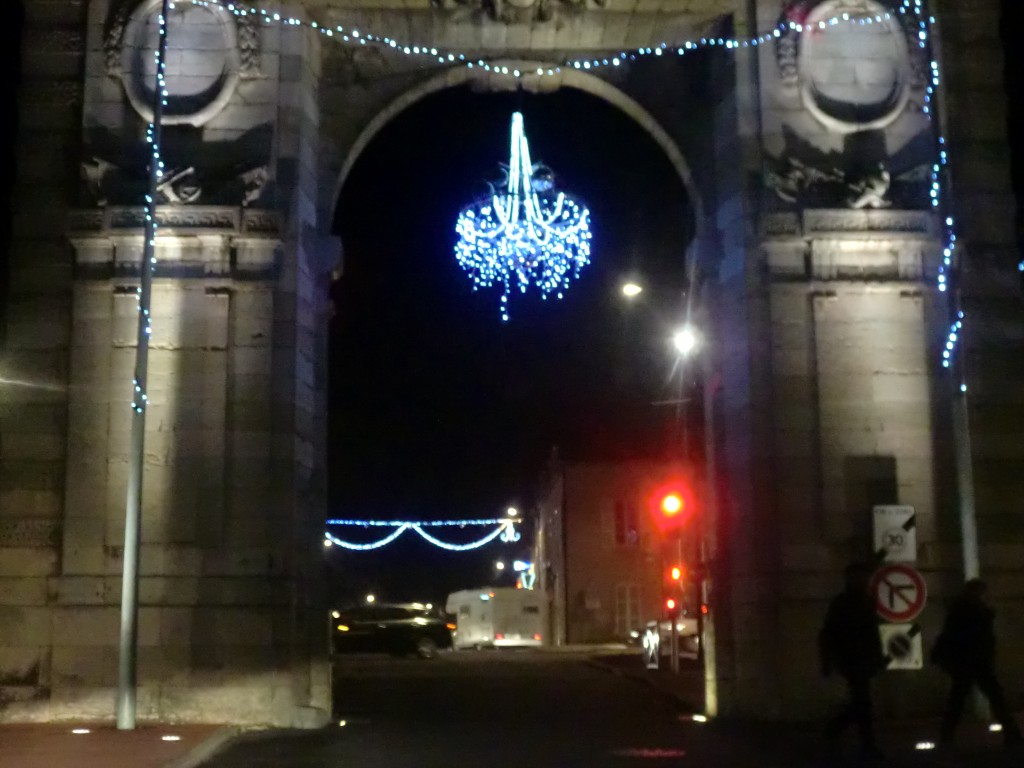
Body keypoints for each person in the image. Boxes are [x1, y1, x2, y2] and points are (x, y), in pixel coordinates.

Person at [932, 578, 1023, 747]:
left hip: (967, 662)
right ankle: (1012, 733)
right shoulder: (974, 612)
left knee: (959, 700)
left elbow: (947, 635)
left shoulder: (959, 611)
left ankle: (947, 736)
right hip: (976, 661)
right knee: (994, 698)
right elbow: (979, 638)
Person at [819, 562, 887, 758]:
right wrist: (828, 660)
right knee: (862, 702)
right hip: (851, 658)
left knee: (861, 702)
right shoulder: (843, 603)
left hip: (863, 657)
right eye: (859, 577)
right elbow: (829, 633)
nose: (863, 581)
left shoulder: (866, 601)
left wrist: (878, 655)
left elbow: (872, 633)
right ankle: (866, 744)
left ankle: (838, 729)